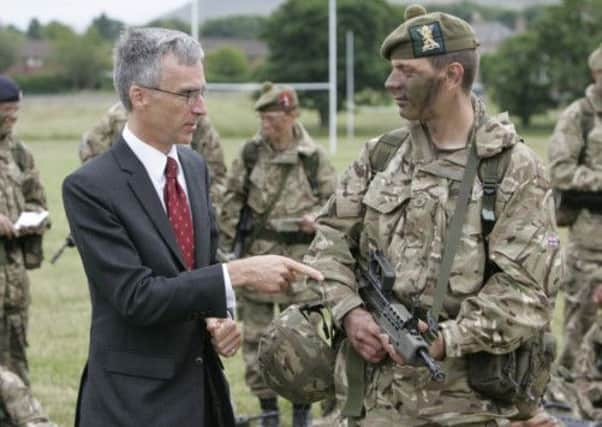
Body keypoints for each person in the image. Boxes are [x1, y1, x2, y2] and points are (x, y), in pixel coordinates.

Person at [303, 5, 562, 426]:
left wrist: (447, 340)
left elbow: (528, 291)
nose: (392, 83)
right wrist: (350, 311)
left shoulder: (512, 168)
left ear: (452, 75)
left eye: (408, 71)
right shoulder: (381, 155)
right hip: (371, 398)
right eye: (392, 70)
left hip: (466, 403)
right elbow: (329, 239)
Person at [62, 27, 323, 427]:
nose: (200, 108)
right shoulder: (91, 187)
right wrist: (240, 273)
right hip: (133, 404)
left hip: (201, 396)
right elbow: (137, 297)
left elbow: (196, 269)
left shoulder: (193, 167)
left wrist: (217, 319)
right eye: (187, 94)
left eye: (203, 92)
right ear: (139, 96)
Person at [218, 82, 337, 427]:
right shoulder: (251, 154)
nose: (265, 125)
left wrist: (317, 216)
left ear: (292, 115)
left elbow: (337, 203)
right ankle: (268, 408)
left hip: (301, 264)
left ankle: (302, 408)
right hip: (258, 258)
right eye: (262, 118)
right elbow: (231, 201)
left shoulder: (313, 158)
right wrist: (226, 251)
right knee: (255, 338)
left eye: (272, 119)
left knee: (306, 339)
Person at [548, 44, 602, 372]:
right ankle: (569, 403)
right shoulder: (578, 116)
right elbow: (559, 171)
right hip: (590, 244)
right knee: (579, 328)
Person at [79, 101, 228, 215]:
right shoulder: (116, 115)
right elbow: (92, 152)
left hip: (182, 210)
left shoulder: (195, 117)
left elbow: (215, 171)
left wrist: (204, 214)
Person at [0, 76, 49, 385]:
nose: (12, 118)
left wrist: (29, 220)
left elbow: (38, 202)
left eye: (16, 111)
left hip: (14, 290)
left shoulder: (19, 153)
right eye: (6, 110)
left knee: (16, 370)